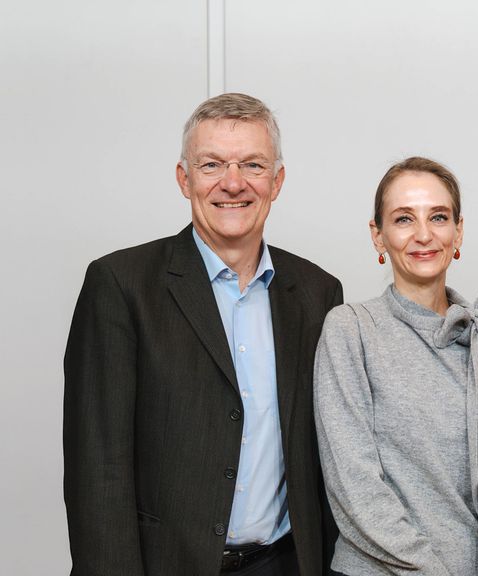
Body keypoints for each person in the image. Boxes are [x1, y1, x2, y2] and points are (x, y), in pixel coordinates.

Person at [63, 93, 344, 576]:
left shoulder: (318, 293)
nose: (233, 183)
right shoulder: (121, 285)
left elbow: (330, 458)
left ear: (276, 181)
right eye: (211, 164)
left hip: (286, 562)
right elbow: (98, 469)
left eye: (252, 165)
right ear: (184, 178)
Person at [313, 156, 478, 576]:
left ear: (458, 231)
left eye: (438, 217)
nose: (424, 234)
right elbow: (353, 484)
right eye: (403, 219)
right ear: (378, 236)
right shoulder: (351, 330)